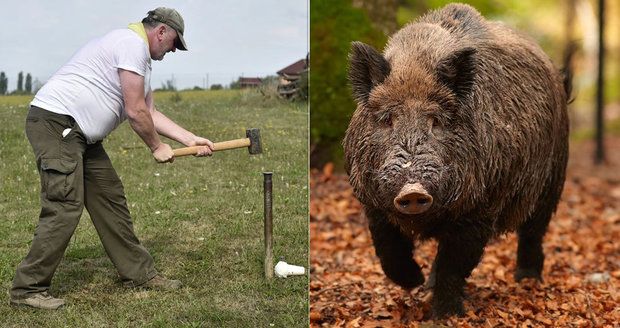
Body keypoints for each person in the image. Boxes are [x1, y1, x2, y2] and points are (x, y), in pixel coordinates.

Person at [9, 7, 214, 310]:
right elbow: (134, 111)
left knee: (109, 198)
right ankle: (27, 290)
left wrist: (189, 138)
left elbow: (150, 112)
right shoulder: (131, 45)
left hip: (82, 135)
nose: (173, 50)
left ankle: (139, 273)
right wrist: (157, 147)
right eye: (173, 43)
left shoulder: (137, 56)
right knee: (65, 204)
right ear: (161, 32)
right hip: (58, 125)